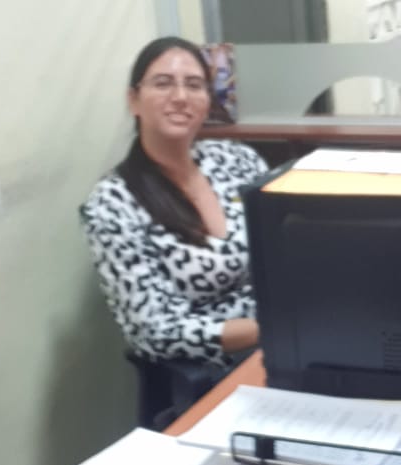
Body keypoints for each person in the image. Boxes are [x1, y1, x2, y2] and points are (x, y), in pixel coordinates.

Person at [80, 36, 269, 368]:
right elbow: (155, 331)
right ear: (134, 101)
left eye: (194, 85)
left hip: (282, 343)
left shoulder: (238, 161)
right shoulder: (112, 205)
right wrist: (270, 329)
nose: (180, 97)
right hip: (212, 367)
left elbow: (283, 252)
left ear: (207, 101)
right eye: (163, 83)